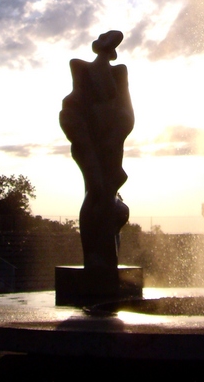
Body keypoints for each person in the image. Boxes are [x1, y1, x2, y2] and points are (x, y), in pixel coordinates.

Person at [59, 30, 134, 274]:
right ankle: (95, 255)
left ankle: (104, 254)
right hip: (89, 142)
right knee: (97, 190)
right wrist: (82, 137)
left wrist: (116, 134)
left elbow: (127, 113)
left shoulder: (118, 72)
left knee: (104, 191)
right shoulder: (80, 68)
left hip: (110, 142)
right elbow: (73, 106)